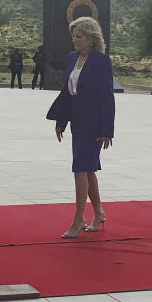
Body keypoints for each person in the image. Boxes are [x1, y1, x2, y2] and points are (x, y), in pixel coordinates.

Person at [46, 16, 114, 239]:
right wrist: (61, 121)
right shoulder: (72, 57)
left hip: (94, 124)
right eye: (73, 36)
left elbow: (107, 97)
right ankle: (99, 213)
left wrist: (106, 130)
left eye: (79, 37)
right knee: (87, 169)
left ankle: (78, 219)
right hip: (77, 121)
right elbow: (67, 93)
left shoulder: (101, 61)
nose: (74, 40)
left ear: (91, 38)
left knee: (79, 169)